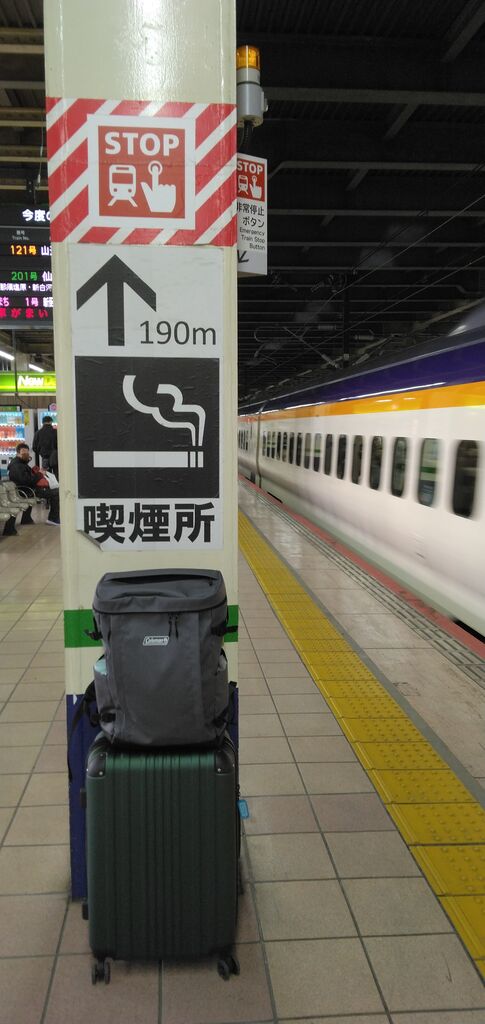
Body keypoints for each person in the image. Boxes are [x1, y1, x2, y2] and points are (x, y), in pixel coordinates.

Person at [8, 443, 60, 525]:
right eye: (23, 451)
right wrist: (39, 474)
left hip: (27, 489)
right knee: (56, 493)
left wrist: (36, 472)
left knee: (54, 490)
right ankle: (53, 519)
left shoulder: (20, 463)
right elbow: (26, 481)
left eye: (27, 451)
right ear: (18, 453)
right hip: (27, 491)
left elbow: (27, 478)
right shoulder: (17, 466)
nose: (26, 453)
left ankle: (26, 519)